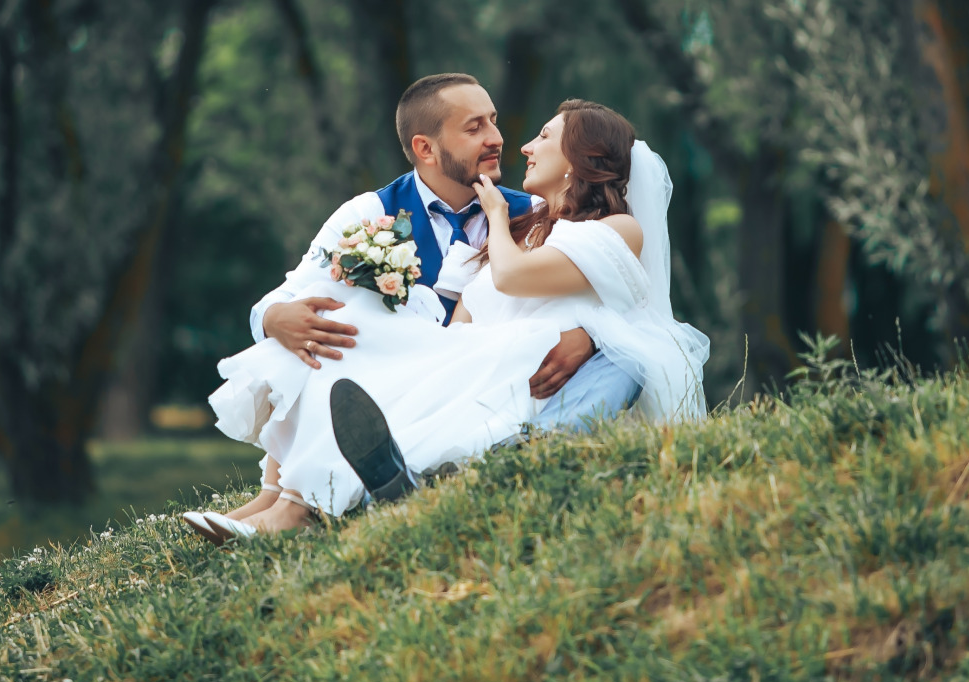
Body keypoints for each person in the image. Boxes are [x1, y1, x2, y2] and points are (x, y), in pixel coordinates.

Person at [184, 84, 707, 539]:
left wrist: (590, 335)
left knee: (359, 336)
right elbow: (300, 293)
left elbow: (614, 298)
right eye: (476, 126)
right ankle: (276, 503)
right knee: (339, 317)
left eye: (497, 123)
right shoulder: (372, 213)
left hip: (504, 369)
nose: (503, 140)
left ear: (577, 158)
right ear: (425, 147)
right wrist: (274, 318)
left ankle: (301, 507)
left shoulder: (528, 216)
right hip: (454, 356)